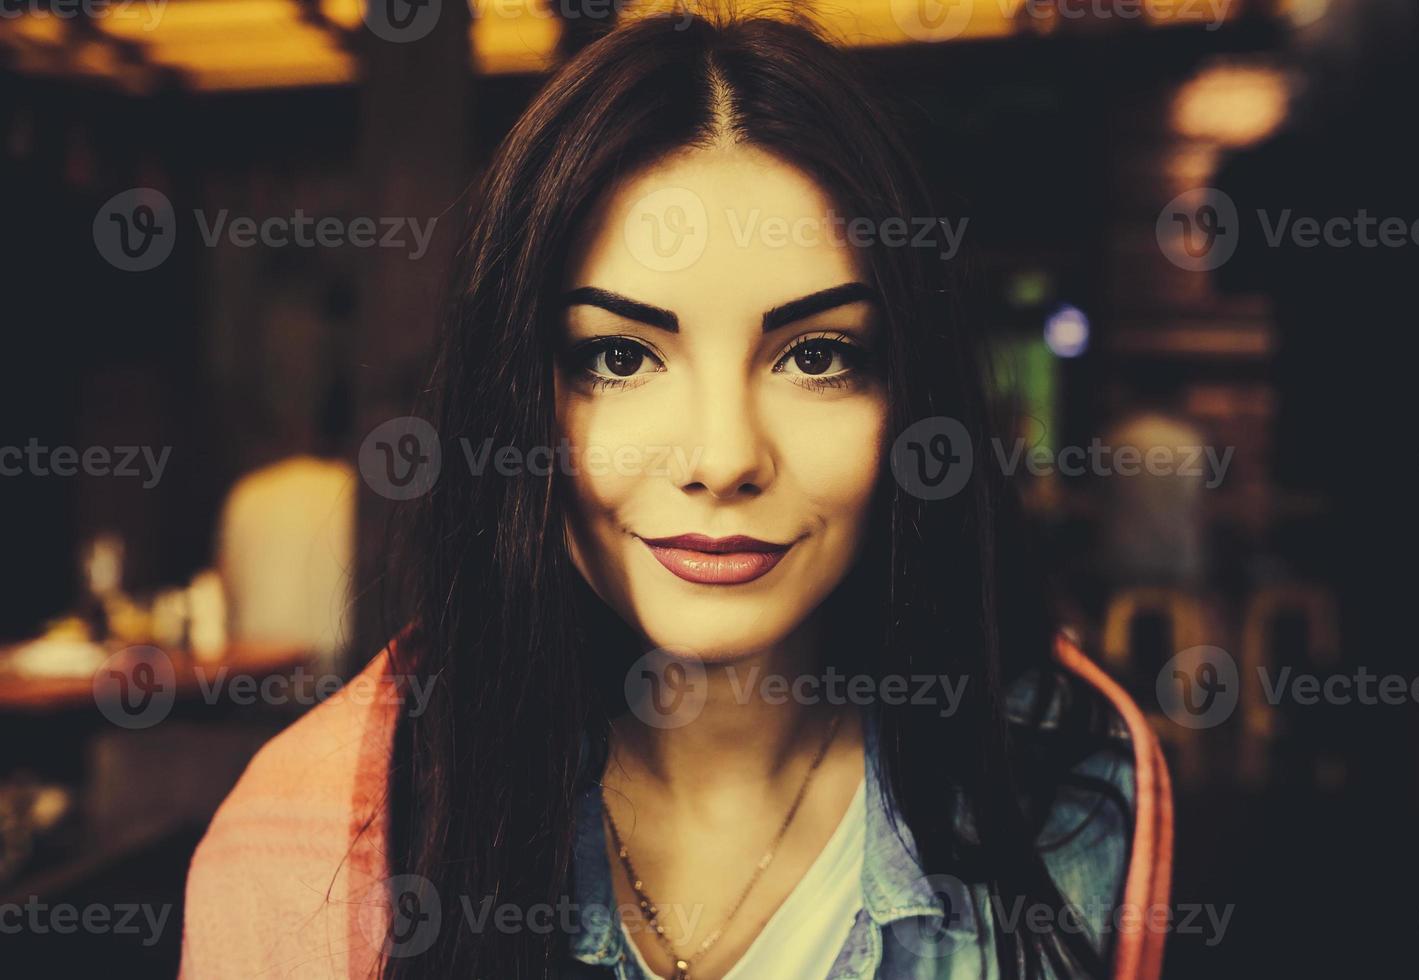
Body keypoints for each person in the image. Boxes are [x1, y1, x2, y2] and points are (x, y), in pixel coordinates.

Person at [179, 8, 1171, 979]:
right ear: (513, 395)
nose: (723, 454)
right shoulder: (315, 838)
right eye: (619, 355)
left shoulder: (1064, 782)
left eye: (818, 355)